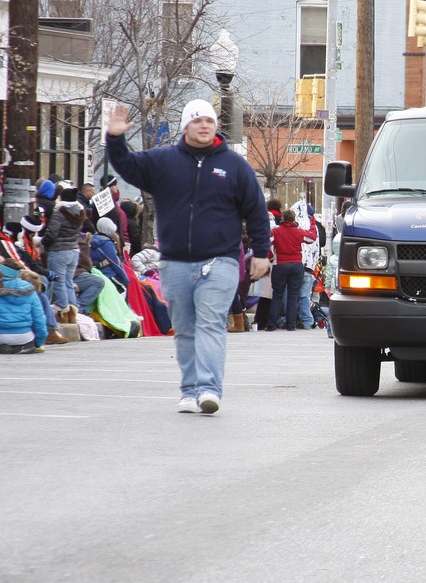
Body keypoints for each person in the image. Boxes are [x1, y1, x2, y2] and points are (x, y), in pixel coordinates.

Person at [106, 99, 270, 415]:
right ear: (186, 126)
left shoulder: (235, 166)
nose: (204, 125)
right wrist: (114, 138)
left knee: (210, 324)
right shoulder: (164, 160)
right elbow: (127, 165)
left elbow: (256, 211)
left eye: (208, 120)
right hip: (175, 262)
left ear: (215, 126)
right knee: (185, 328)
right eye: (197, 121)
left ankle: (209, 389)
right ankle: (189, 389)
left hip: (219, 260)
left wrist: (261, 253)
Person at [0, 259, 47, 354]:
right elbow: (39, 319)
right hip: (25, 336)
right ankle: (25, 346)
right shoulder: (29, 290)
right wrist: (38, 342)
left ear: (1, 272)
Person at [42, 187, 86, 317]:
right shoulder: (79, 212)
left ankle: (62, 309)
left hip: (59, 251)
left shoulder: (59, 213)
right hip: (74, 251)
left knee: (58, 281)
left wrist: (43, 242)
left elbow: (52, 233)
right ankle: (72, 310)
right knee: (68, 282)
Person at [267, 208, 306, 331]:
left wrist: (271, 257)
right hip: (296, 265)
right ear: (294, 219)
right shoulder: (299, 232)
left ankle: (272, 324)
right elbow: (311, 238)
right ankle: (291, 325)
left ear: (282, 218)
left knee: (277, 295)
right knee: (293, 296)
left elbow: (267, 242)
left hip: (280, 265)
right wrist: (313, 222)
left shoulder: (276, 231)